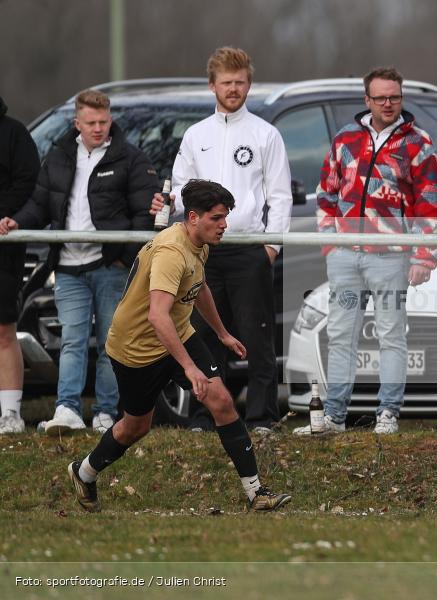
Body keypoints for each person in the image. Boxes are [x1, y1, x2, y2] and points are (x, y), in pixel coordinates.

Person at [67, 180, 291, 513]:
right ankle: (84, 472)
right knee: (135, 427)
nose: (224, 225)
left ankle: (257, 493)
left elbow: (198, 288)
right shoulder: (172, 251)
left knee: (222, 401)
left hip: (177, 333)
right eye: (217, 218)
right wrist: (188, 367)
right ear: (194, 217)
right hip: (136, 349)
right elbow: (158, 317)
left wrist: (221, 333)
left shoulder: (199, 242)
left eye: (226, 217)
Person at [294, 67, 437, 436]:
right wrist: (330, 241)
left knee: (391, 334)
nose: (388, 104)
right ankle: (333, 416)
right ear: (367, 101)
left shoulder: (418, 143)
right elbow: (327, 192)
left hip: (391, 255)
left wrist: (424, 256)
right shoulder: (345, 139)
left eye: (394, 97)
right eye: (380, 98)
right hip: (345, 256)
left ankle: (388, 413)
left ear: (401, 98)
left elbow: (430, 203)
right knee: (341, 334)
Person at [0, 89, 157, 435]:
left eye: (103, 122)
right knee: (72, 339)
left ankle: (105, 411)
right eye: (90, 123)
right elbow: (40, 204)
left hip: (110, 266)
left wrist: (125, 260)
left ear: (110, 120)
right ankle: (67, 409)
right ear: (77, 123)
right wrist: (17, 222)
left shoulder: (129, 158)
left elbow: (144, 213)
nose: (98, 128)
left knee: (110, 342)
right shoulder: (58, 157)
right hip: (68, 266)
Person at [151, 46, 291, 433]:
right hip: (204, 252)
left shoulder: (266, 134)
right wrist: (169, 202)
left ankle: (263, 418)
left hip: (249, 250)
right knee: (205, 336)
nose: (234, 89)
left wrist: (270, 248)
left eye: (240, 82)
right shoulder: (197, 135)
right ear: (212, 85)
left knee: (257, 337)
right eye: (226, 82)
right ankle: (207, 417)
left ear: (249, 83)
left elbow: (280, 196)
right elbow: (180, 188)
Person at [0, 95, 40, 435]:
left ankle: (10, 413)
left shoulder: (14, 135)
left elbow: (27, 183)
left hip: (4, 249)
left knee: (3, 330)